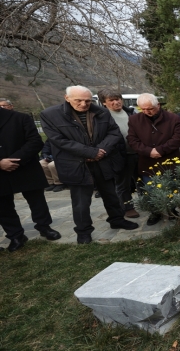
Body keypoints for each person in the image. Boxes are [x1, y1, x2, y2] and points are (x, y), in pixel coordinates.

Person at [40, 86, 137, 245]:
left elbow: (113, 133)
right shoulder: (50, 115)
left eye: (87, 100)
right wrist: (90, 152)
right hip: (76, 164)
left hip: (102, 161)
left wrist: (101, 151)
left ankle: (117, 219)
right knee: (81, 201)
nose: (84, 104)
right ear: (67, 98)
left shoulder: (101, 112)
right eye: (78, 100)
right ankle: (83, 231)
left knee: (110, 194)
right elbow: (59, 140)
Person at [1, 104, 61, 252]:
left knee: (37, 201)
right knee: (3, 206)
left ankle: (44, 227)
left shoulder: (20, 118)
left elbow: (35, 141)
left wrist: (15, 160)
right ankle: (15, 235)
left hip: (25, 167)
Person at [127, 93, 180, 226]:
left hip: (169, 161)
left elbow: (179, 138)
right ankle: (155, 212)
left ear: (158, 105)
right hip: (147, 162)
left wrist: (160, 150)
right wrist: (149, 151)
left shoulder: (173, 118)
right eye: (143, 109)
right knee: (151, 190)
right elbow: (132, 140)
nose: (147, 112)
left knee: (171, 187)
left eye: (150, 109)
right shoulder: (134, 119)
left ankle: (172, 210)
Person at [97, 89, 139, 218]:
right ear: (104, 103)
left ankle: (148, 203)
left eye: (118, 99)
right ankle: (127, 207)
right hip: (119, 155)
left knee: (141, 181)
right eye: (111, 100)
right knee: (123, 183)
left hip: (137, 153)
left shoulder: (131, 112)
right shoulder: (102, 117)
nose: (116, 102)